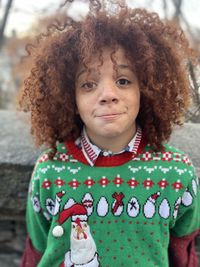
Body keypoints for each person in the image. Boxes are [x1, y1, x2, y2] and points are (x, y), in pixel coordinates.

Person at [19, 0, 200, 266]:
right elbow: (35, 251)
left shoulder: (176, 173)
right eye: (88, 84)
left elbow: (184, 252)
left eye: (123, 81)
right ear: (70, 98)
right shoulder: (50, 171)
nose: (107, 95)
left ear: (146, 89)